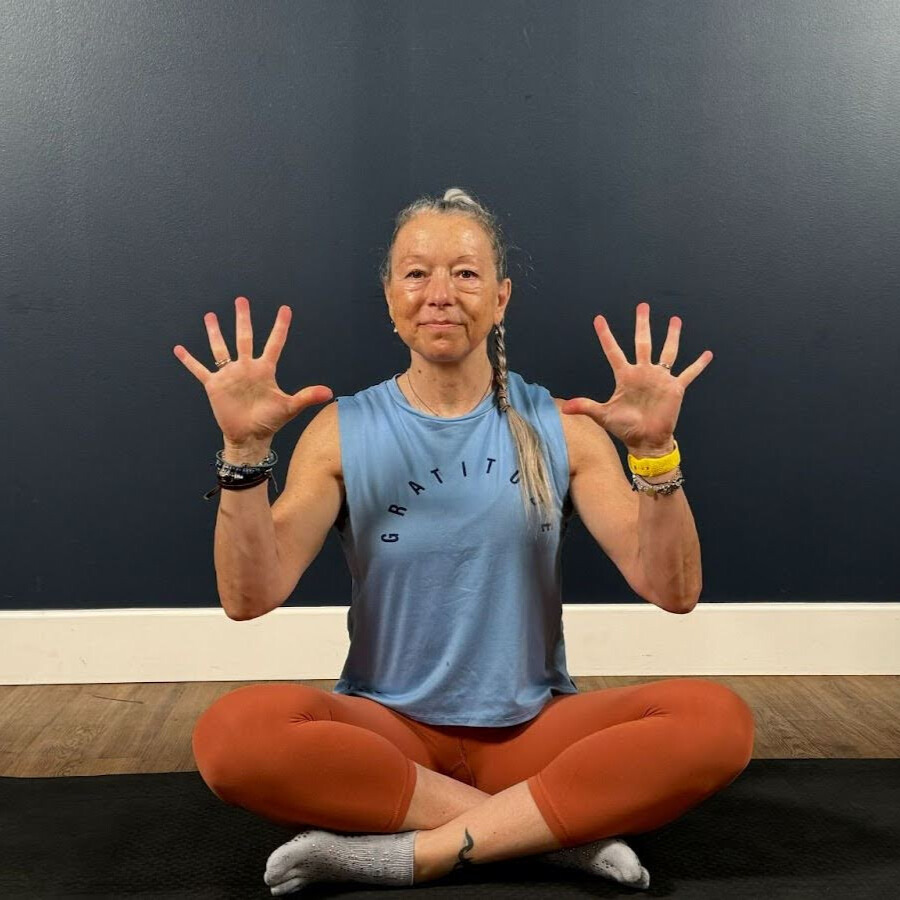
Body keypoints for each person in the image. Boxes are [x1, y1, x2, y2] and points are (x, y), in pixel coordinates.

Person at [177, 188, 755, 895]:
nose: (440, 293)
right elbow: (250, 597)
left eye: (467, 272)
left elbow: (673, 591)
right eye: (416, 273)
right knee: (231, 736)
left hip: (530, 733)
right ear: (390, 296)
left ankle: (401, 854)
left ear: (501, 297)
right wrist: (243, 454)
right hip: (386, 734)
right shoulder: (342, 431)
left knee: (717, 723)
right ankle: (546, 838)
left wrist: (658, 455)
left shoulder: (565, 428)